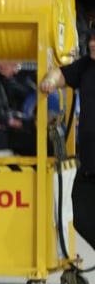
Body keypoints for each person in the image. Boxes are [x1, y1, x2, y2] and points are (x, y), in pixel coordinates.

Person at [39, 20, 95, 252]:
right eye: (90, 39)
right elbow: (61, 74)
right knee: (81, 214)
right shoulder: (86, 67)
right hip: (89, 164)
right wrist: (51, 81)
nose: (91, 43)